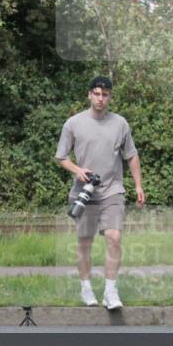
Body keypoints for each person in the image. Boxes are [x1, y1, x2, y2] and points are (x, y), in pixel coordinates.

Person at [56, 76, 145, 310]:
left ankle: (110, 291)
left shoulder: (120, 124)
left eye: (105, 95)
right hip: (83, 192)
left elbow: (131, 155)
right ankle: (86, 288)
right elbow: (61, 157)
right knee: (84, 243)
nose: (100, 98)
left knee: (114, 238)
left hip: (112, 190)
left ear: (110, 97)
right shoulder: (73, 123)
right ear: (89, 95)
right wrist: (77, 170)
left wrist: (138, 185)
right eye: (96, 94)